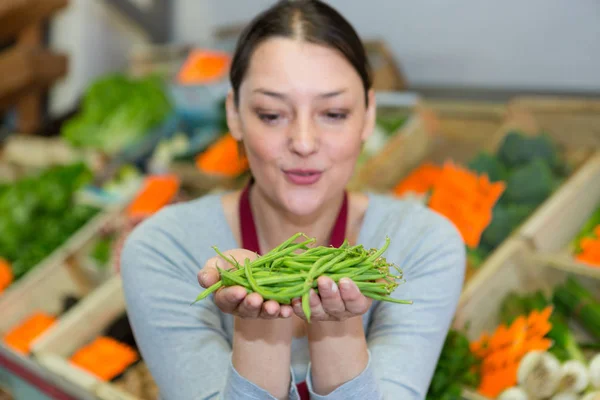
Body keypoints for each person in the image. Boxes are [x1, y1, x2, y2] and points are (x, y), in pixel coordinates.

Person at [120, 1, 466, 399]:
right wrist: (257, 328)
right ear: (234, 114)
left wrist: (338, 327)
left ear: (369, 115)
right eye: (271, 114)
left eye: (333, 113)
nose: (303, 142)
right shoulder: (164, 248)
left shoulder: (421, 243)